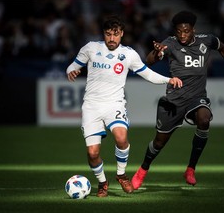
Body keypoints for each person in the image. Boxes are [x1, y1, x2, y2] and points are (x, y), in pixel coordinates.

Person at [66, 15, 182, 197]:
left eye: (115, 34)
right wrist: (71, 71)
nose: (111, 38)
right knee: (93, 153)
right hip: (91, 106)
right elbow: (72, 65)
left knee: (121, 138)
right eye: (108, 34)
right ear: (103, 34)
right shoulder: (91, 48)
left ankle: (121, 174)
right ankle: (103, 182)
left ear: (122, 34)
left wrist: (169, 79)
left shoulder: (129, 54)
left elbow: (148, 74)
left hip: (115, 104)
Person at [131, 10, 224, 189]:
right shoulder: (170, 43)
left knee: (204, 119)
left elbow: (223, 48)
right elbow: (149, 60)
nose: (182, 35)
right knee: (159, 141)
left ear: (193, 30)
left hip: (197, 97)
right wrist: (157, 52)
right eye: (179, 31)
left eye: (186, 31)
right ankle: (143, 170)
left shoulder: (206, 40)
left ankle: (190, 168)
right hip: (174, 100)